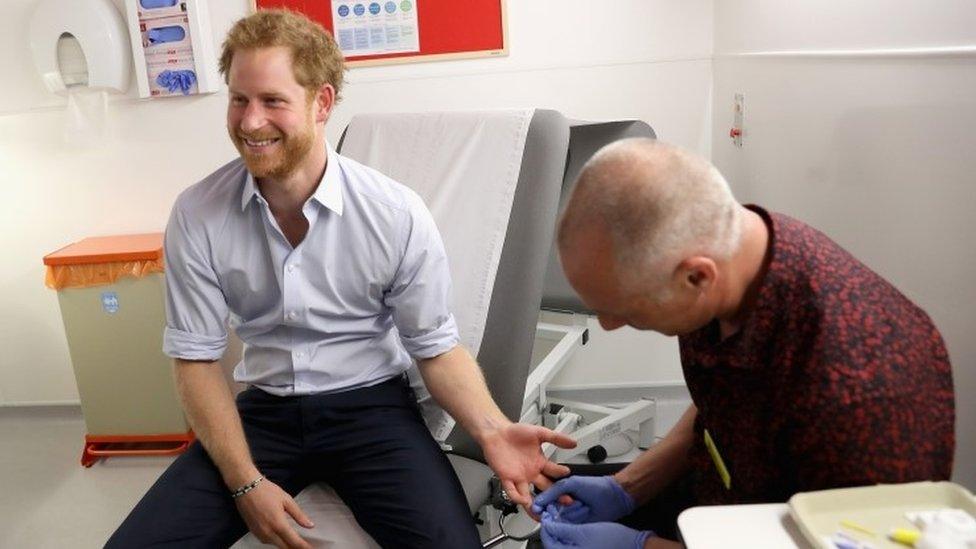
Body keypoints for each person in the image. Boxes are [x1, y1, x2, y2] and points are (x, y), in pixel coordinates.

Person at [106, 9, 574, 549]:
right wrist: (245, 482)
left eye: (273, 101)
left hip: (372, 412)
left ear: (321, 102)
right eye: (239, 99)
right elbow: (195, 360)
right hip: (265, 415)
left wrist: (492, 430)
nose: (251, 121)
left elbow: (436, 347)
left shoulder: (394, 213)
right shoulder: (198, 213)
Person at [532, 138, 955, 548]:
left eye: (626, 309)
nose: (609, 325)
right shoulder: (736, 255)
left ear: (697, 277)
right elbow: (720, 404)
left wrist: (644, 548)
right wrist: (627, 488)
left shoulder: (858, 392)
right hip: (724, 494)